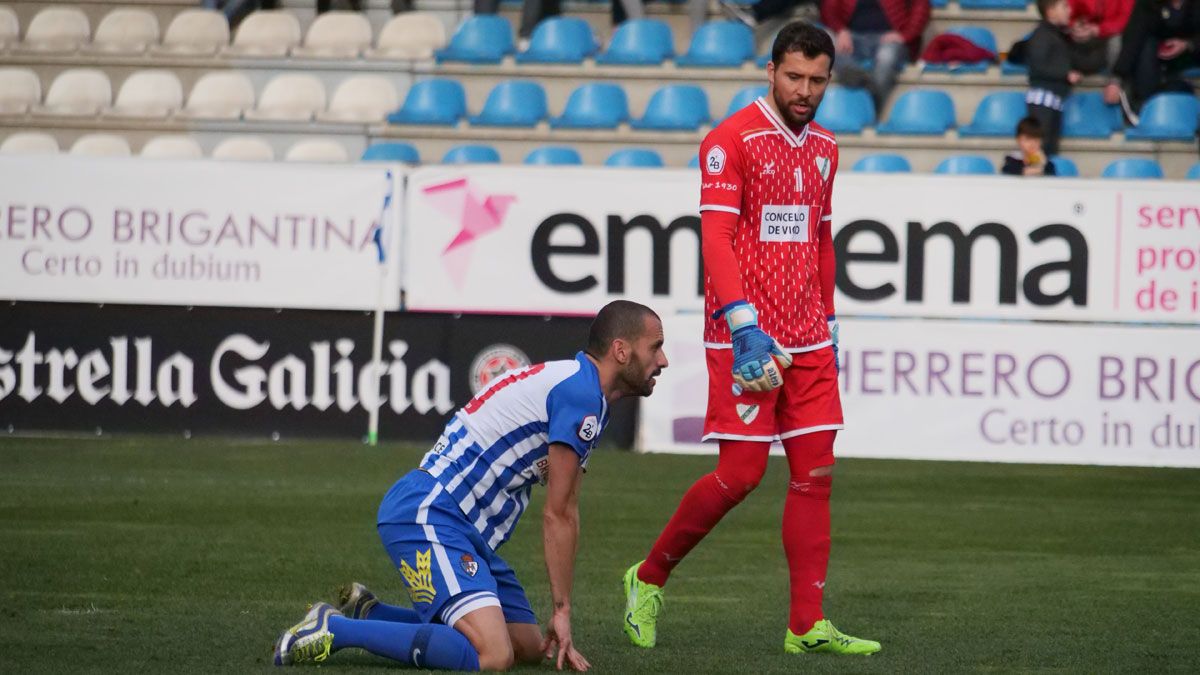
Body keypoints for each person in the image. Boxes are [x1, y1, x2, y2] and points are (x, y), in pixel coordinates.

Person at [621, 21, 879, 658]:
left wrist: (831, 318)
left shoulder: (825, 146)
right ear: (770, 71)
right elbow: (715, 239)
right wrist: (742, 327)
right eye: (794, 76)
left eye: (818, 80)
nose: (806, 89)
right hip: (747, 337)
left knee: (815, 474)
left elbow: (820, 236)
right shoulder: (730, 141)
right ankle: (647, 577)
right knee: (741, 475)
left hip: (808, 336)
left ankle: (806, 625)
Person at [272, 300, 669, 671]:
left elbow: (562, 499)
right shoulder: (579, 394)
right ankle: (335, 629)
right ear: (621, 350)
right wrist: (562, 610)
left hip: (464, 530)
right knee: (493, 655)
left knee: (528, 646)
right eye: (655, 348)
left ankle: (373, 614)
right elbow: (559, 513)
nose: (663, 360)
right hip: (430, 513)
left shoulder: (584, 392)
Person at [819, 0, 930, 107]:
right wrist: (840, 30)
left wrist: (904, 35)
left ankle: (872, 103)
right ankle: (858, 78)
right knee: (826, 40)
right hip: (852, 39)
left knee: (887, 56)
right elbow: (829, 8)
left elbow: (921, 7)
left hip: (890, 41)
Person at [1104, 0, 1200, 116]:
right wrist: (1116, 80)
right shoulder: (1147, 3)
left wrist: (1188, 44)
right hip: (1157, 56)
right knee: (1145, 45)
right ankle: (1145, 105)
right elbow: (1133, 39)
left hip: (1192, 54)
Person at [1026, 0, 1081, 157]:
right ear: (1050, 11)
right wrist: (1065, 74)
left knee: (1050, 148)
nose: (1069, 10)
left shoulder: (1058, 35)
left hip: (1054, 99)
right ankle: (1035, 176)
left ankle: (1045, 177)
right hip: (1042, 100)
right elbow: (1038, 65)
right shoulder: (1042, 35)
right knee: (1040, 146)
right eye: (1064, 6)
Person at [1066, 0, 1134, 74]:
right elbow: (1068, 11)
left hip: (1110, 32)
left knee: (1115, 40)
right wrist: (1074, 25)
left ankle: (1114, 77)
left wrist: (1098, 29)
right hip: (1085, 27)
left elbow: (1123, 20)